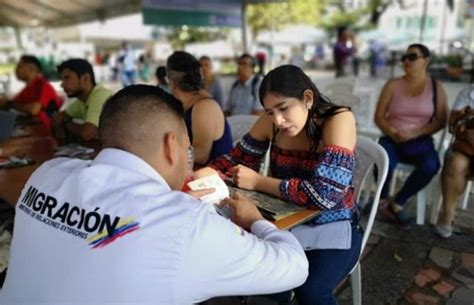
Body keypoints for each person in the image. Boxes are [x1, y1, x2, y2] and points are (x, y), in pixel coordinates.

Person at [0, 85, 309, 304]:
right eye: (188, 149)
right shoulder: (184, 225)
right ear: (171, 145)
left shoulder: (47, 173)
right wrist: (256, 220)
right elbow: (295, 266)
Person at [195, 65, 362, 305]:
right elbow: (235, 160)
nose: (278, 120)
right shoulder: (270, 122)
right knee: (251, 276)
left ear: (307, 98)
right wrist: (206, 174)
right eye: (270, 112)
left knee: (311, 291)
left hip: (333, 225)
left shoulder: (338, 119)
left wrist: (259, 182)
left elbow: (326, 196)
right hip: (283, 224)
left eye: (283, 108)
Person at [374, 43, 448, 228]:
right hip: (392, 138)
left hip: (419, 141)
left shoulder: (436, 88)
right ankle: (382, 200)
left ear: (426, 61)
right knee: (382, 160)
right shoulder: (393, 85)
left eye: (412, 57)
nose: (406, 61)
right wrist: (392, 132)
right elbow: (379, 116)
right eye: (404, 58)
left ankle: (397, 203)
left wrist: (415, 132)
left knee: (431, 165)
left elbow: (440, 120)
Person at [167, 51, 232, 165]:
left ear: (172, 83)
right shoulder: (186, 103)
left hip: (215, 178)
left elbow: (201, 155)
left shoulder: (204, 106)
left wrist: (165, 155)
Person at [435, 87, 474, 238]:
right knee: (455, 164)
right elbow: (452, 125)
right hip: (466, 148)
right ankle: (447, 216)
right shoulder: (467, 93)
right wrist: (466, 131)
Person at [52, 58, 113, 142]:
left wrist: (65, 122)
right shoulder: (81, 101)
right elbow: (58, 117)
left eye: (67, 78)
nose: (62, 85)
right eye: (62, 79)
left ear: (85, 78)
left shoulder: (101, 95)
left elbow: (88, 134)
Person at [0, 55, 62, 129]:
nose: (16, 70)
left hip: (46, 131)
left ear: (31, 69)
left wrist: (9, 103)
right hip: (33, 127)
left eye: (20, 66)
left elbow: (34, 110)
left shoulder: (42, 85)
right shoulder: (27, 89)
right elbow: (11, 104)